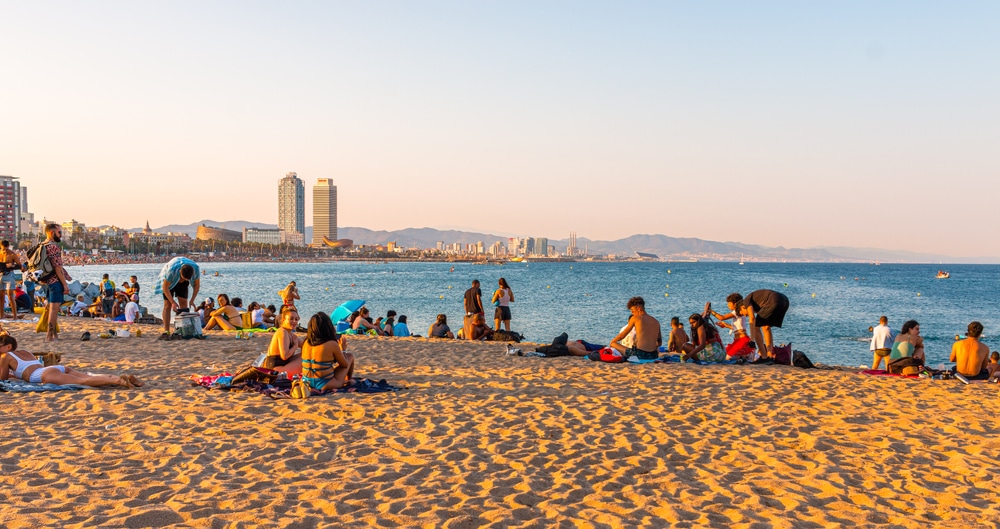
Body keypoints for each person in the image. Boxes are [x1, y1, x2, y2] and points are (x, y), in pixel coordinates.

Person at [0, 334, 142, 388]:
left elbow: (3, 378)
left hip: (43, 374)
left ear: (9, 346)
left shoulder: (6, 357)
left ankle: (120, 381)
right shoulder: (26, 352)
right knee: (87, 377)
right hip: (55, 368)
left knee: (83, 382)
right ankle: (123, 377)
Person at [300, 312, 355, 391]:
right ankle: (348, 379)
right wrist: (343, 350)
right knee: (350, 356)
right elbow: (345, 364)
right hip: (324, 384)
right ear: (328, 327)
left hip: (306, 382)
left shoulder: (306, 342)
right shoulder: (331, 344)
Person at [733, 290, 790, 361]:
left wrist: (752, 339)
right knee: (766, 327)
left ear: (743, 307)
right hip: (784, 301)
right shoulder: (757, 303)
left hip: (773, 300)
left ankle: (764, 357)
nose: (745, 315)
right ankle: (769, 356)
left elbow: (752, 318)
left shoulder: (746, 301)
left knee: (756, 327)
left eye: (743, 313)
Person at [154, 256, 201, 335]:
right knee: (167, 305)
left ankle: (182, 329)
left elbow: (197, 286)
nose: (184, 280)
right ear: (180, 272)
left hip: (183, 281)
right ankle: (166, 330)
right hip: (169, 282)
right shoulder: (171, 270)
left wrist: (192, 300)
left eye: (187, 279)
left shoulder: (196, 269)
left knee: (183, 304)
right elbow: (165, 287)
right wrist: (172, 302)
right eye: (183, 278)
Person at [41, 224, 71, 342]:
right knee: (54, 309)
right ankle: (50, 336)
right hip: (55, 281)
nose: (61, 235)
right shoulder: (53, 247)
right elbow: (58, 268)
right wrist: (65, 284)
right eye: (59, 233)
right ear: (52, 233)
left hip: (47, 281)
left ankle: (54, 334)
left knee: (51, 308)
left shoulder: (43, 245)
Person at [265, 309, 302, 375]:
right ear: (283, 320)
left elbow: (306, 345)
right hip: (275, 370)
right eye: (291, 319)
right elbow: (284, 356)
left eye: (296, 319)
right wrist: (295, 346)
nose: (294, 321)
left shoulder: (290, 334)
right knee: (307, 360)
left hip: (282, 365)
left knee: (307, 354)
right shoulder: (282, 332)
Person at [0, 240, 22, 320]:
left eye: (5, 249)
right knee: (1, 297)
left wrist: (12, 265)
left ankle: (15, 316)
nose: (4, 251)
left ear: (8, 247)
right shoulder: (0, 253)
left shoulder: (12, 254)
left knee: (10, 296)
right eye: (3, 249)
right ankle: (1, 316)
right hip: (1, 275)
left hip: (9, 274)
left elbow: (19, 265)